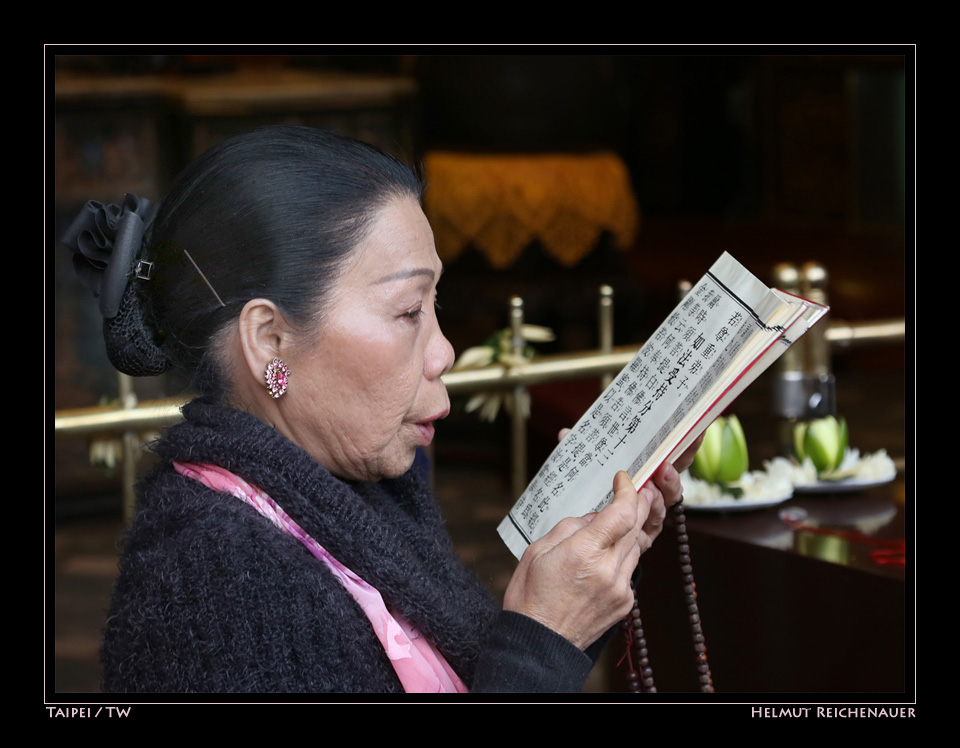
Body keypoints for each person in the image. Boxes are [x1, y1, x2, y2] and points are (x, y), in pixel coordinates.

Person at [64, 126, 700, 694]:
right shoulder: (208, 581)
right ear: (270, 341)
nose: (445, 350)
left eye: (434, 305)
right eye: (407, 311)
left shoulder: (352, 488)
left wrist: (585, 582)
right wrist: (541, 639)